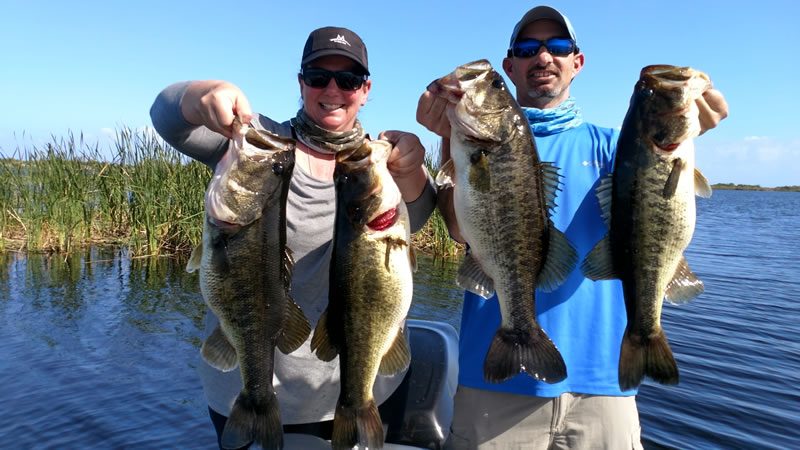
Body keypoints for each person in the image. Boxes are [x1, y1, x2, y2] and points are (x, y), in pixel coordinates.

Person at [416, 6, 729, 449]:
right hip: (494, 386)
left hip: (604, 385)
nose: (543, 57)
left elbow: (654, 206)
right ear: (511, 66)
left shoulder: (616, 147)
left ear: (576, 62)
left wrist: (690, 124)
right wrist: (449, 137)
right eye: (527, 49)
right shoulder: (467, 145)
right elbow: (459, 229)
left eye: (557, 47)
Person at [150, 26, 436, 448]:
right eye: (319, 77)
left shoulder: (379, 163)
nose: (333, 89)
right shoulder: (258, 147)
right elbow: (166, 118)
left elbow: (421, 211)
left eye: (349, 79)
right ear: (301, 83)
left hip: (367, 386)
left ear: (366, 88)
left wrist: (411, 168)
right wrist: (203, 92)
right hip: (253, 390)